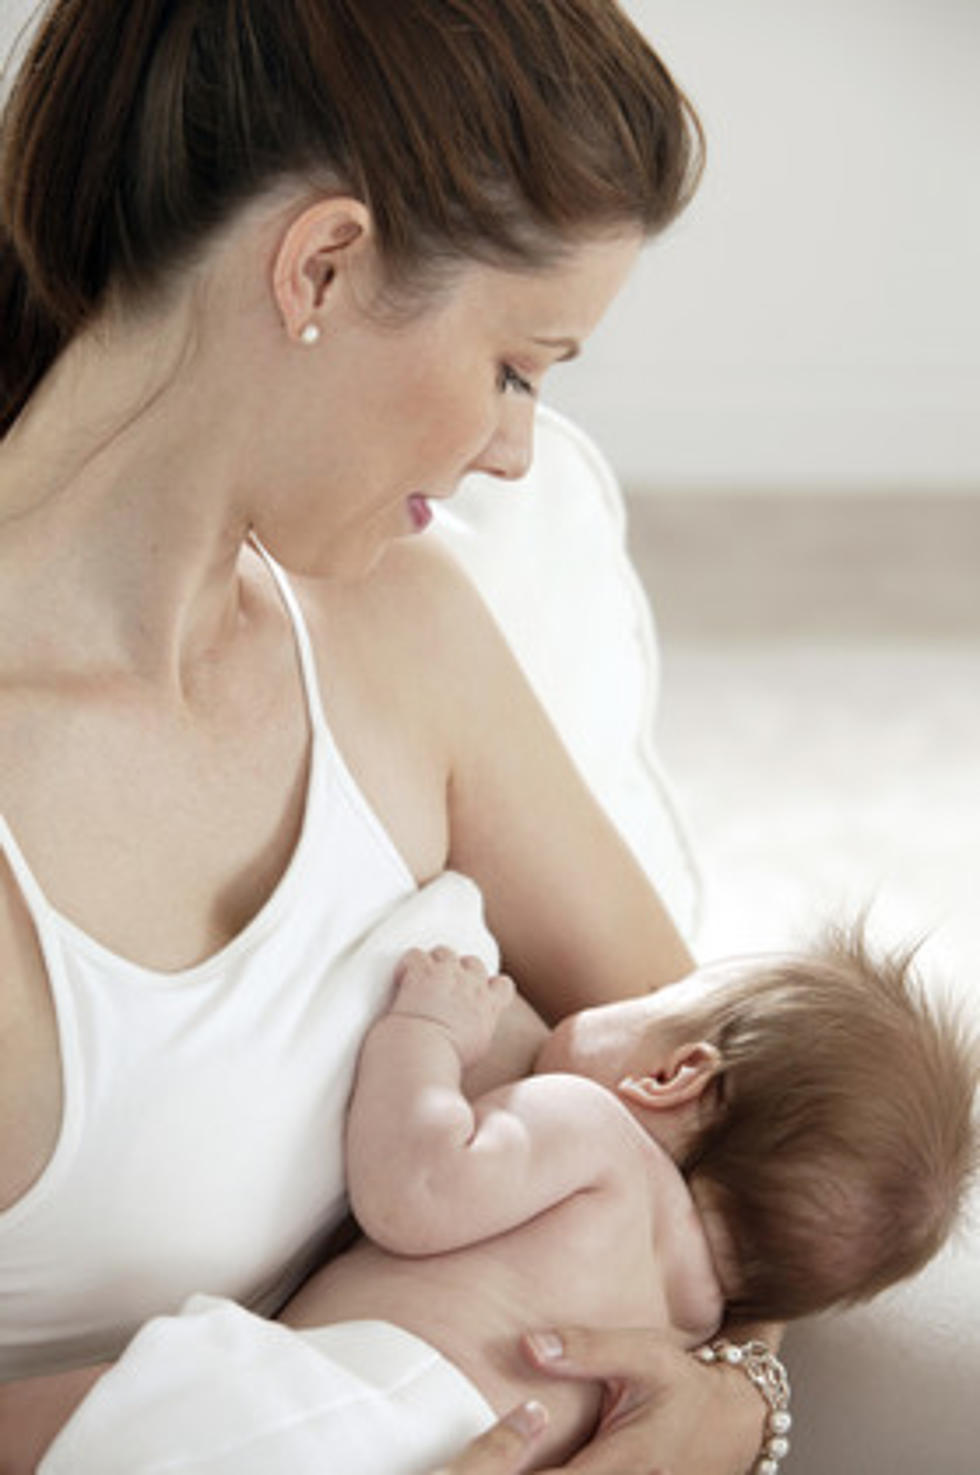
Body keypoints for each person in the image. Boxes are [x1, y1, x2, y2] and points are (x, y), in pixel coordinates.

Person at [0, 2, 772, 1471]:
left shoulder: (406, 635)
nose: (516, 451)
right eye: (518, 365)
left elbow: (740, 1116)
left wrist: (732, 1408)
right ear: (325, 263)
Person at [270, 926, 978, 1473]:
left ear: (673, 1074)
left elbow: (411, 1189)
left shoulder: (589, 1126)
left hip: (315, 1410)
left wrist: (424, 1030)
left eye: (657, 999)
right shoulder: (689, 1328)